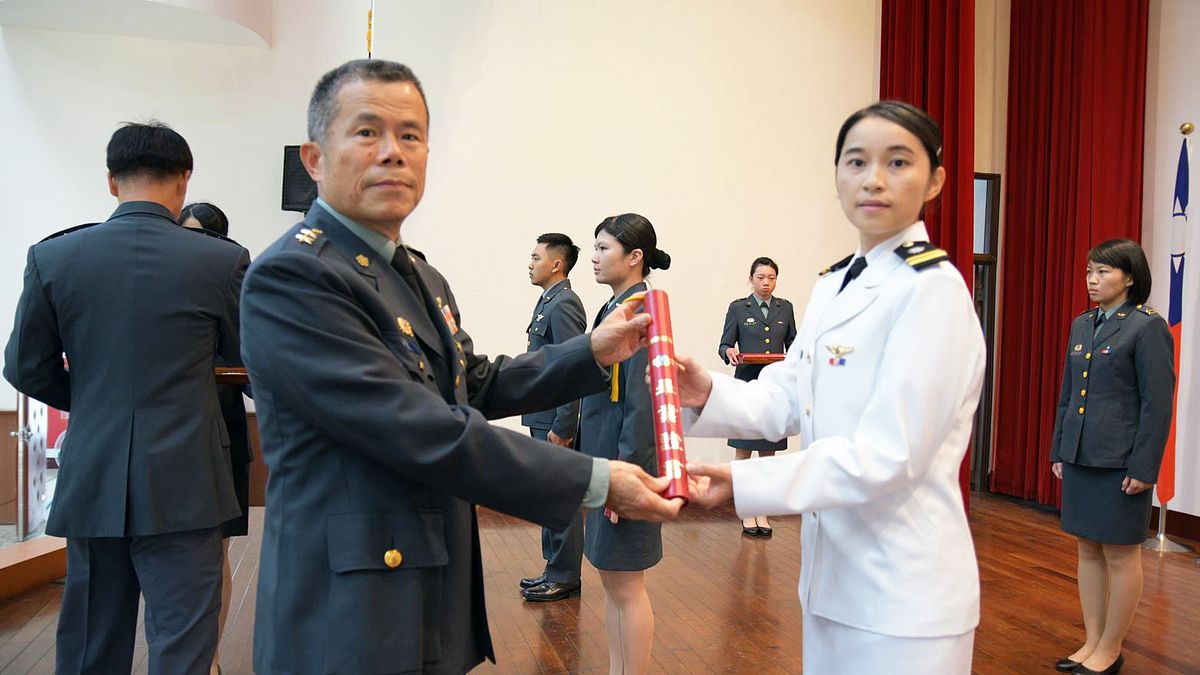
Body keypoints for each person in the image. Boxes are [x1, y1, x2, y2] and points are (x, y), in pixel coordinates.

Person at [238, 59, 682, 674]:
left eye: (411, 135)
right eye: (367, 132)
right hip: (347, 603)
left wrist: (593, 350)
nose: (394, 153)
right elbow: (416, 426)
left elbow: (474, 383)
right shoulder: (295, 276)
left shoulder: (416, 274)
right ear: (314, 159)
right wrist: (595, 479)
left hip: (427, 576)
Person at [676, 101, 986, 673]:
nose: (873, 179)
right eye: (856, 161)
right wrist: (705, 393)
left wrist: (745, 481)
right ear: (837, 177)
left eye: (897, 162)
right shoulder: (833, 286)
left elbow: (888, 454)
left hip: (904, 595)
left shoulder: (931, 291)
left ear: (936, 180)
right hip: (831, 581)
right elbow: (788, 395)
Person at [3, 122, 249, 673]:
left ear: (111, 181)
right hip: (188, 482)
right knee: (184, 647)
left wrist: (88, 398)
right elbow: (252, 361)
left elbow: (22, 366)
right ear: (184, 181)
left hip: (93, 475)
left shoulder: (54, 258)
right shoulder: (221, 262)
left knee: (91, 645)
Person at [1049, 239, 1174, 675]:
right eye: (1089, 271)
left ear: (1130, 277)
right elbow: (1068, 395)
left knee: (1121, 554)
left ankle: (1111, 646)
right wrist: (1060, 449)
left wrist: (1144, 468)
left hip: (1121, 463)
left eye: (1102, 271)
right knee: (1087, 549)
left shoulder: (1146, 327)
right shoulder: (1083, 324)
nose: (1092, 279)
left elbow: (1157, 405)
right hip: (1082, 455)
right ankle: (1092, 641)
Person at [580, 213, 671, 675]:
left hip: (623, 469)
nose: (593, 257)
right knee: (612, 581)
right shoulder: (616, 306)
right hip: (604, 464)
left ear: (635, 257)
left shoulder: (644, 311)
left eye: (603, 248)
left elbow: (642, 407)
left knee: (627, 585)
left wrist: (627, 476)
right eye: (593, 248)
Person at [180, 201, 253, 675]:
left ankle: (213, 658)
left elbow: (252, 372)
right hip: (173, 432)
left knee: (217, 549)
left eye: (201, 236)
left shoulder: (234, 282)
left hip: (222, 427)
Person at [519, 233, 589, 602]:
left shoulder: (563, 305)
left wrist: (564, 427)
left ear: (556, 264)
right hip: (542, 414)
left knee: (562, 496)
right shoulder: (548, 301)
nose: (529, 264)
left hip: (554, 422)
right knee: (549, 495)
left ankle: (565, 574)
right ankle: (553, 567)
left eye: (535, 257)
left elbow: (572, 368)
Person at [717, 256, 797, 536]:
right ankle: (746, 510)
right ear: (750, 279)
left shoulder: (785, 309)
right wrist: (728, 352)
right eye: (761, 277)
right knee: (743, 451)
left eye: (771, 278)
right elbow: (725, 344)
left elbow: (794, 346)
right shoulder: (739, 308)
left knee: (768, 455)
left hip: (774, 390)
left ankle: (762, 511)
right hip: (746, 387)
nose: (766, 283)